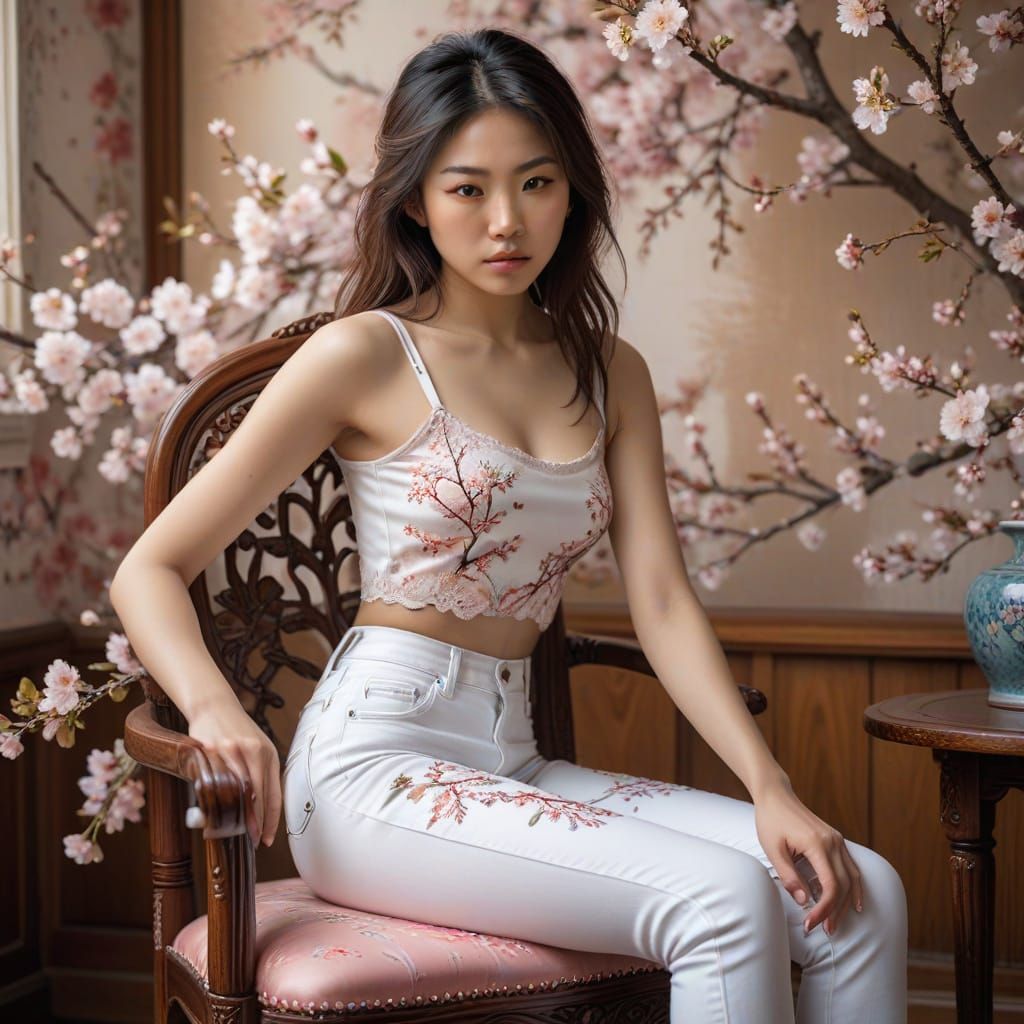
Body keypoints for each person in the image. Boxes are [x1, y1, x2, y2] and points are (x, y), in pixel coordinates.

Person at [110, 27, 908, 1024]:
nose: (504, 220)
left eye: (534, 182)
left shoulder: (608, 370)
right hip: (371, 771)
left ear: (572, 188)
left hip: (516, 758)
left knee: (861, 889)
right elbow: (150, 568)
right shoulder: (364, 354)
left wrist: (769, 784)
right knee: (723, 902)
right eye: (466, 188)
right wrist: (217, 710)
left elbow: (660, 601)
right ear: (413, 199)